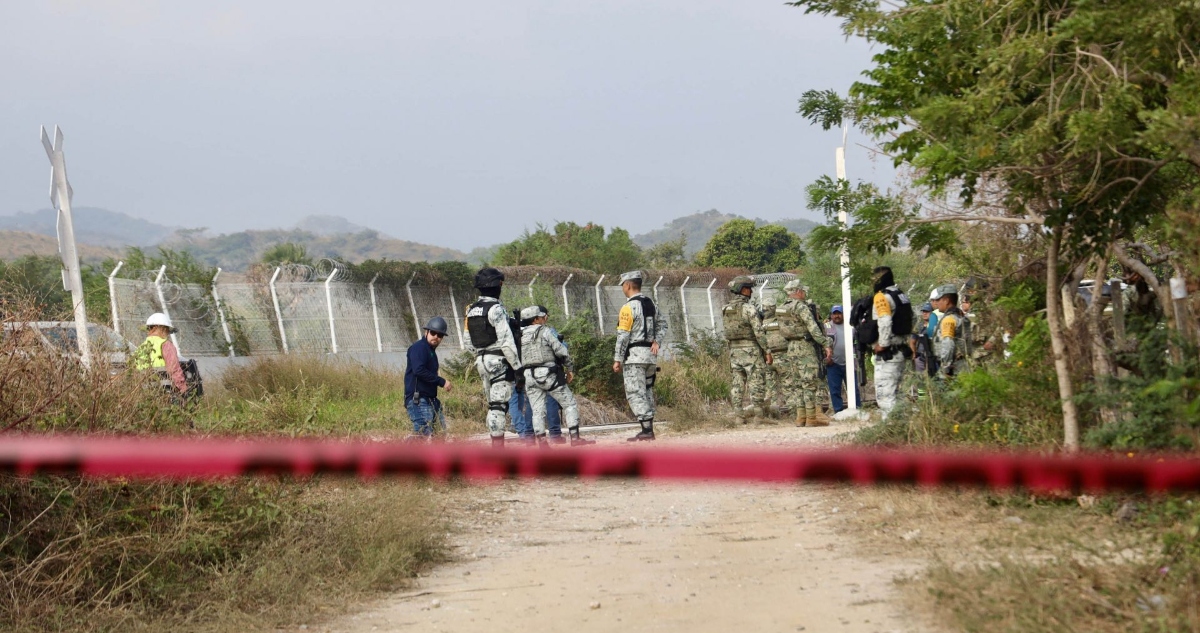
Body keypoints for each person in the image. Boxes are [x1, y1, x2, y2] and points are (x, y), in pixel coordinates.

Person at [520, 305, 595, 447]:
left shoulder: (519, 335)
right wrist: (570, 368)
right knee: (570, 403)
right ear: (535, 319)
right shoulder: (545, 331)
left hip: (528, 376)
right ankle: (575, 438)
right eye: (542, 317)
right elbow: (561, 351)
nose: (544, 319)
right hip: (548, 374)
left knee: (537, 411)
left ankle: (542, 443)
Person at [465, 267, 521, 447]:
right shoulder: (496, 309)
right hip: (499, 361)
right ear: (498, 285)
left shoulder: (471, 310)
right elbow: (506, 341)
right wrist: (518, 368)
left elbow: (468, 341)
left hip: (481, 361)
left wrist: (482, 354)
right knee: (498, 408)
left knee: (492, 406)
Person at [612, 270, 667, 441]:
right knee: (647, 390)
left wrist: (617, 359)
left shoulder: (628, 307)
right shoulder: (650, 303)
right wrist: (656, 341)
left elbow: (623, 335)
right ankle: (648, 427)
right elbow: (663, 324)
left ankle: (646, 430)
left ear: (627, 285)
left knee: (635, 392)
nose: (623, 288)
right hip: (650, 355)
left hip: (634, 357)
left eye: (623, 285)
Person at [782, 281, 832, 427]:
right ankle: (811, 418)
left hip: (791, 347)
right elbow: (813, 329)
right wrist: (825, 343)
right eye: (803, 291)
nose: (804, 293)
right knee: (809, 383)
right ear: (797, 291)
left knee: (797, 384)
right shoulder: (800, 307)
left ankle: (800, 418)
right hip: (805, 347)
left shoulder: (782, 308)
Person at [723, 276, 772, 422]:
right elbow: (758, 332)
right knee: (756, 381)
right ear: (743, 289)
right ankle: (758, 416)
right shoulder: (749, 309)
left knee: (737, 383)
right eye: (749, 288)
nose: (750, 291)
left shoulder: (725, 309)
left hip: (734, 350)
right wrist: (767, 351)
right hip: (751, 349)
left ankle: (739, 416)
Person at [867, 266, 913, 418]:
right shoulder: (901, 295)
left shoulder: (882, 297)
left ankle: (890, 435)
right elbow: (912, 319)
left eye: (874, 279)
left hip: (888, 354)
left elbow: (885, 321)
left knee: (886, 397)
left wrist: (882, 343)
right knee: (898, 396)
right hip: (901, 351)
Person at [404, 317, 452, 437]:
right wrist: (441, 381)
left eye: (440, 335)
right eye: (433, 333)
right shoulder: (419, 348)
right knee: (423, 435)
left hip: (431, 400)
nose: (436, 336)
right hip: (419, 400)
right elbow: (418, 370)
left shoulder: (430, 351)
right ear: (426, 332)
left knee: (440, 436)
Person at [134, 313, 189, 398]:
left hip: (145, 392)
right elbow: (174, 369)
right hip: (164, 391)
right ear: (161, 328)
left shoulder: (141, 348)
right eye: (167, 330)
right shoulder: (165, 344)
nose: (167, 333)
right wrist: (183, 388)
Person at [759, 292, 790, 418]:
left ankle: (791, 411)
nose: (765, 310)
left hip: (777, 356)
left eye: (767, 307)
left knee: (785, 386)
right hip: (772, 357)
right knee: (775, 388)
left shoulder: (767, 321)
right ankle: (771, 413)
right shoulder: (764, 321)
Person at [824, 305, 860, 413]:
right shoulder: (826, 327)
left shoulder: (851, 327)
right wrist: (826, 358)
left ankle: (858, 410)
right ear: (831, 315)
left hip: (849, 363)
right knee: (835, 390)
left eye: (839, 313)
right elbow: (821, 343)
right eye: (834, 314)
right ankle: (838, 412)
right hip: (833, 363)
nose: (837, 316)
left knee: (853, 389)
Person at [931, 284, 969, 378]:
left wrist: (946, 368)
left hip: (954, 368)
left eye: (938, 300)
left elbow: (948, 343)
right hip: (963, 365)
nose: (936, 303)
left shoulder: (949, 319)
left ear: (947, 300)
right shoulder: (961, 316)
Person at [912, 303, 939, 376]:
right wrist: (914, 354)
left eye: (927, 312)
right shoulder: (919, 327)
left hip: (933, 357)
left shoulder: (936, 326)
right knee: (920, 379)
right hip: (920, 357)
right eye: (923, 311)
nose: (924, 313)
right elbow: (912, 341)